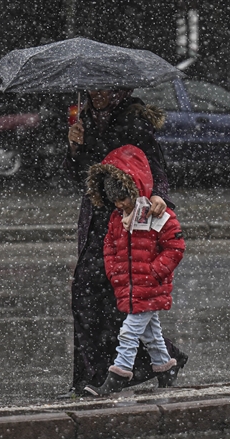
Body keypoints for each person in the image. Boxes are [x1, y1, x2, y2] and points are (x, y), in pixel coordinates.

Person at [64, 88, 187, 395]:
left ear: (118, 88)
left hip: (126, 215)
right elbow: (76, 174)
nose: (98, 94)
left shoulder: (133, 118)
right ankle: (96, 375)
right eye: (93, 88)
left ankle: (126, 369)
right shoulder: (84, 118)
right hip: (96, 219)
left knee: (121, 297)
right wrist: (74, 147)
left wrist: (160, 195)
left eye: (104, 88)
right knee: (88, 295)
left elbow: (154, 164)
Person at [83, 145, 185, 397]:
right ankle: (165, 368)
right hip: (130, 285)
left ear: (134, 190)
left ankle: (119, 374)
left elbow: (175, 246)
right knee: (151, 334)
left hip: (149, 285)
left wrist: (153, 271)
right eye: (115, 200)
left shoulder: (158, 215)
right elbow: (109, 246)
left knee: (128, 333)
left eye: (123, 198)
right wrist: (114, 270)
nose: (119, 205)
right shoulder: (118, 219)